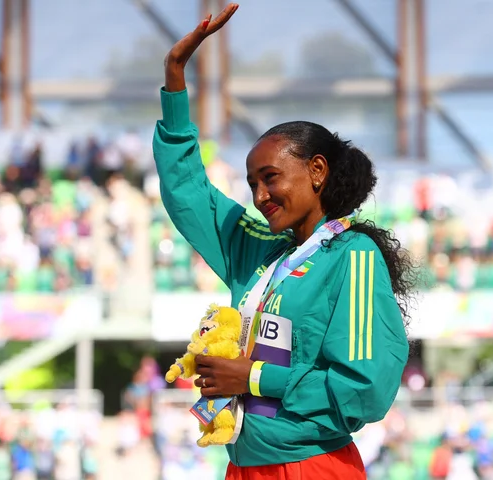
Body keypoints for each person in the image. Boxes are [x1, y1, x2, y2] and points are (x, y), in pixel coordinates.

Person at [153, 4, 413, 479]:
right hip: (244, 467)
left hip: (312, 466)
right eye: (252, 184)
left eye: (271, 178)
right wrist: (174, 80)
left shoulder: (353, 257)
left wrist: (250, 376)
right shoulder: (259, 249)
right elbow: (189, 192)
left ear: (317, 171)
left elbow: (364, 389)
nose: (259, 196)